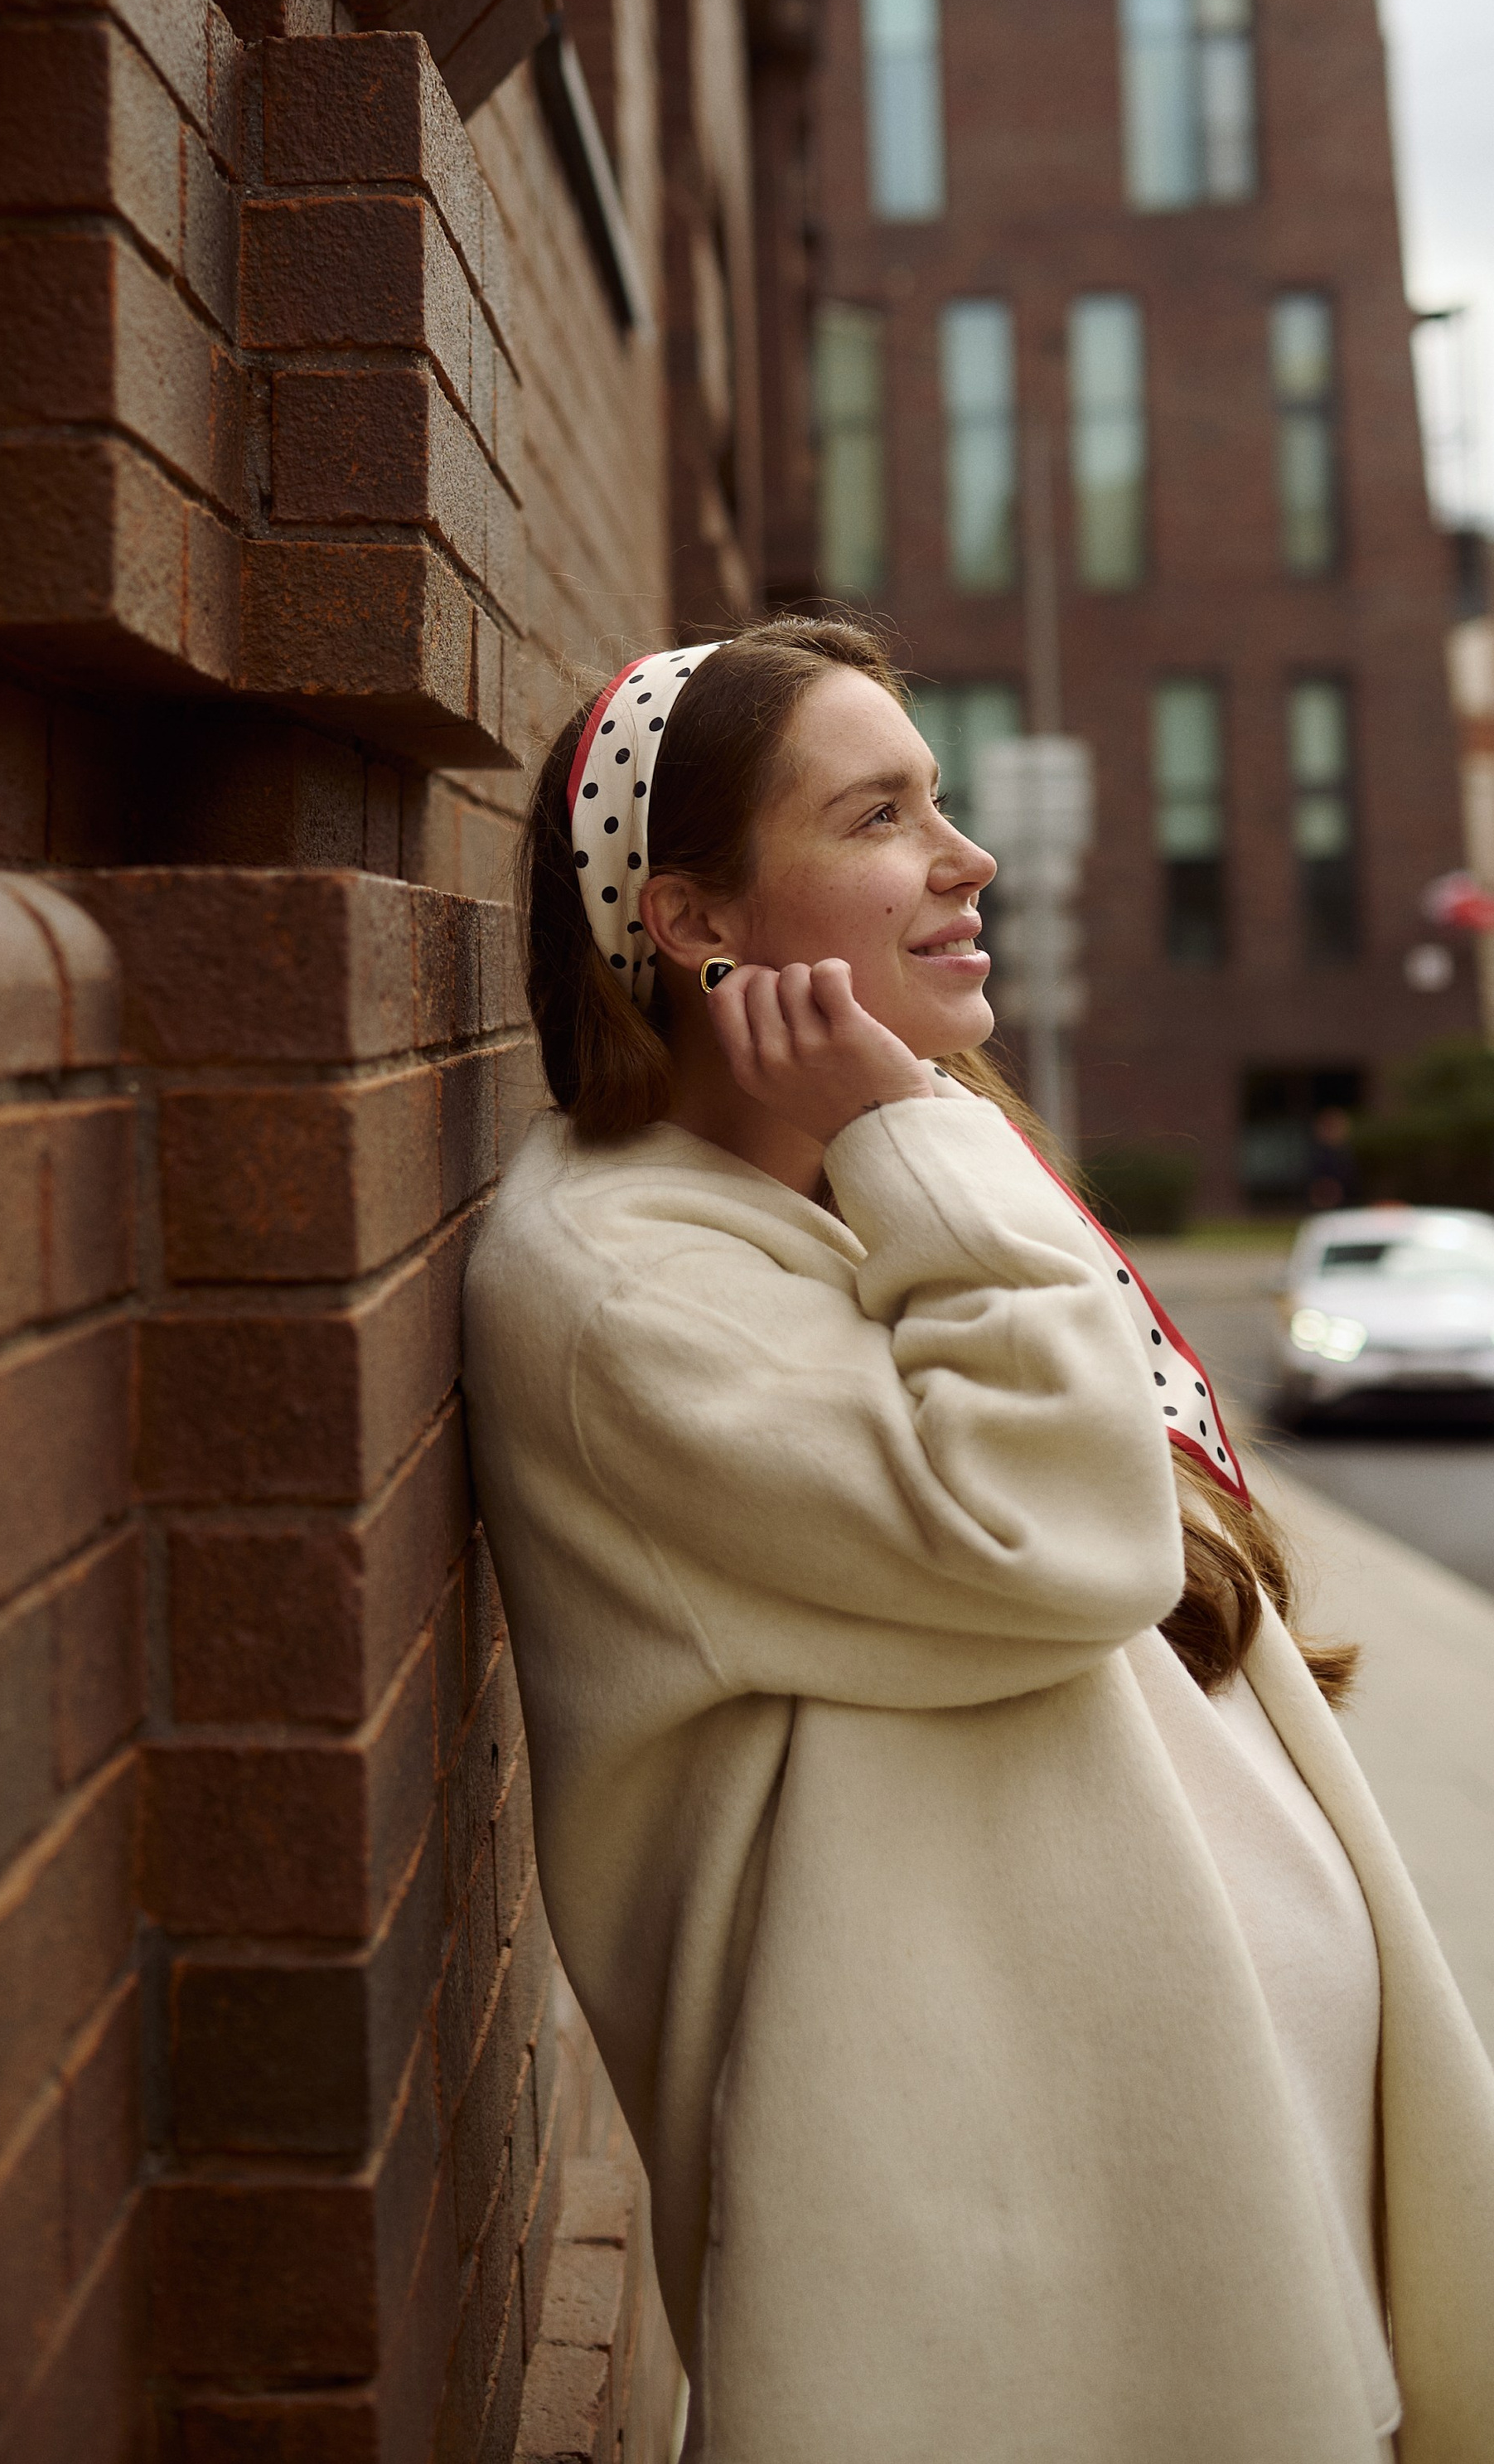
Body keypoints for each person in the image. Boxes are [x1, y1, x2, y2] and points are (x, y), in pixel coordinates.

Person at [462, 616, 1494, 2464]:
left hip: (1199, 2219)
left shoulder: (860, 1179)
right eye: (878, 814)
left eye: (938, 800)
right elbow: (1058, 1534)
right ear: (698, 919)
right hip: (1008, 2302)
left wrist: (898, 1135)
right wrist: (906, 1129)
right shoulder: (626, 1284)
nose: (966, 857)